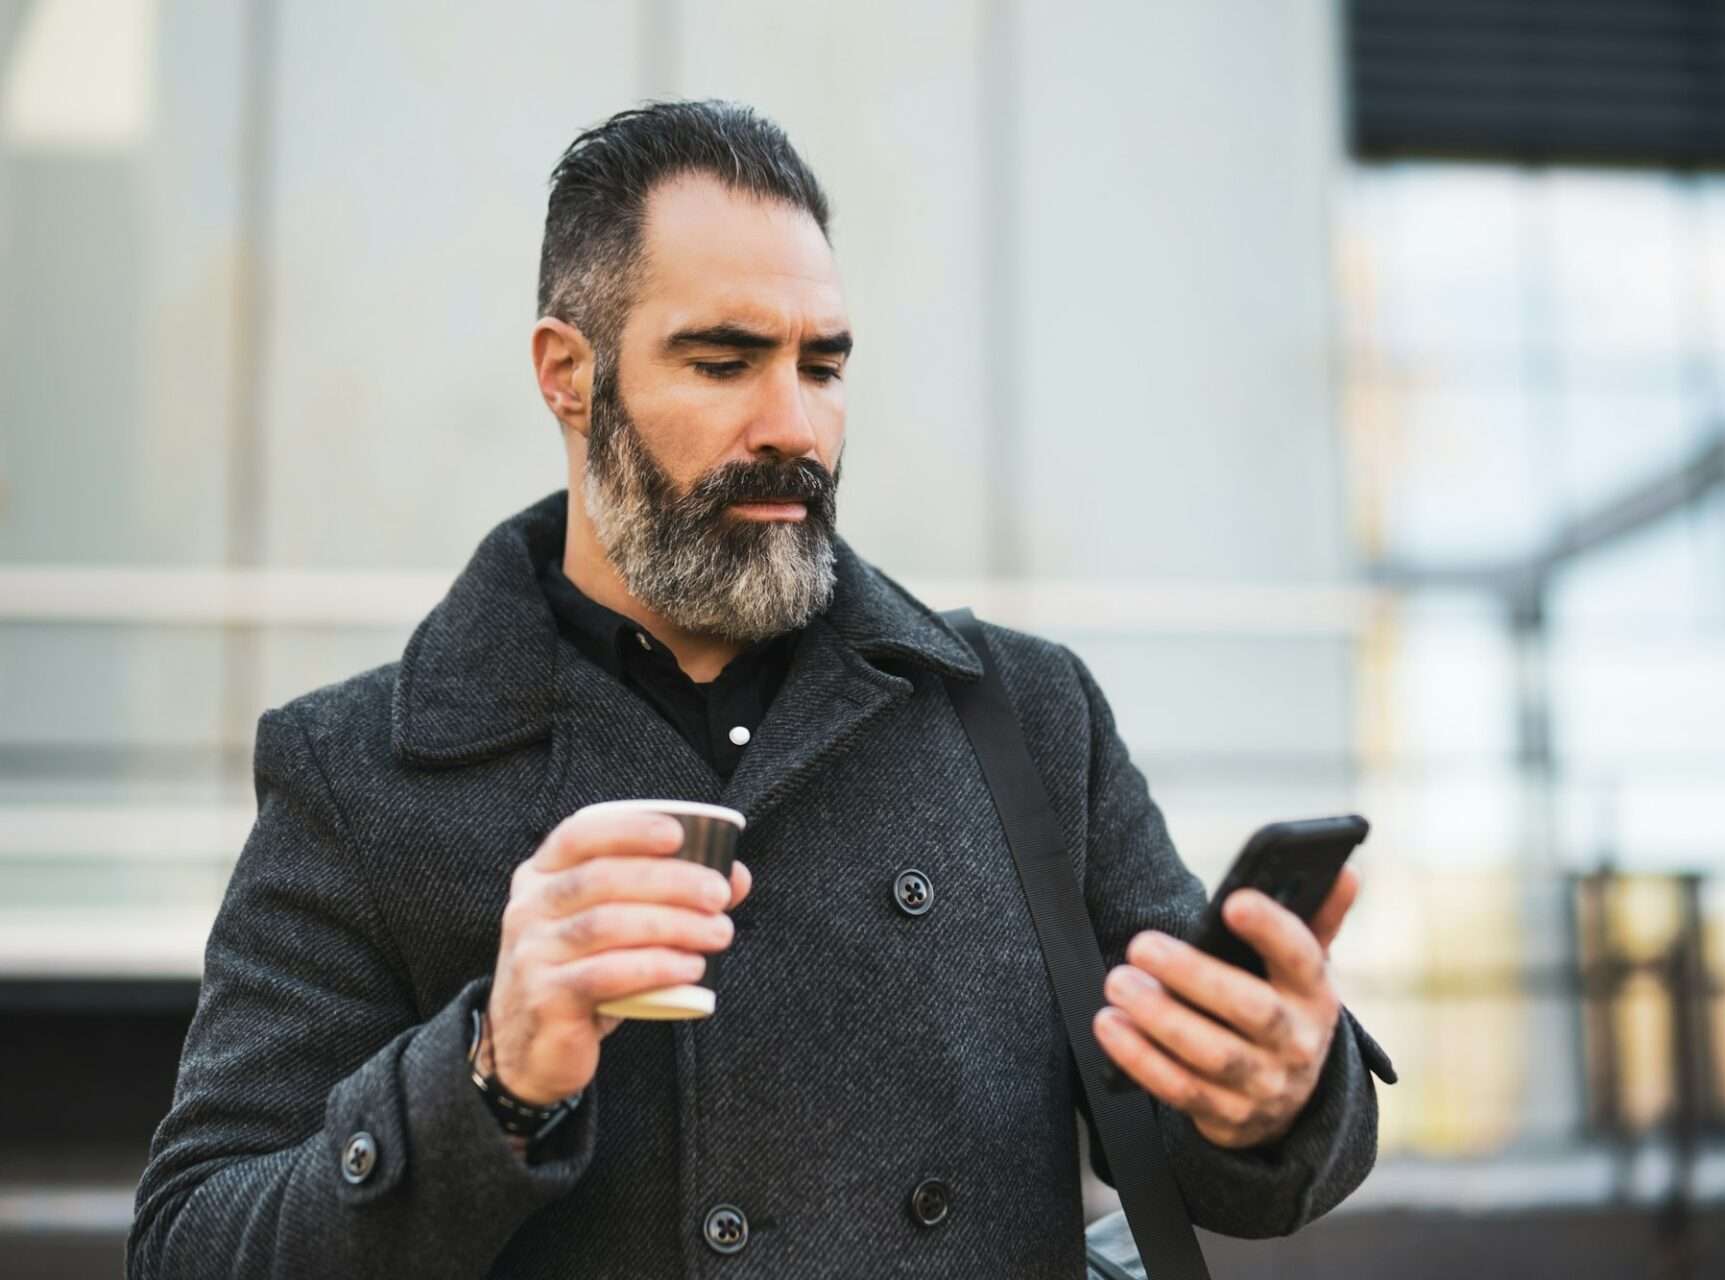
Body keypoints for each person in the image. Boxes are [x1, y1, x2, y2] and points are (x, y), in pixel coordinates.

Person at [128, 100, 1393, 1278]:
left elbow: (1216, 1152)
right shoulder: (360, 770)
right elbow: (192, 1243)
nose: (793, 422)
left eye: (823, 365)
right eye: (724, 361)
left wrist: (1277, 1088)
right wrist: (490, 1076)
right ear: (569, 374)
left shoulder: (1024, 713)